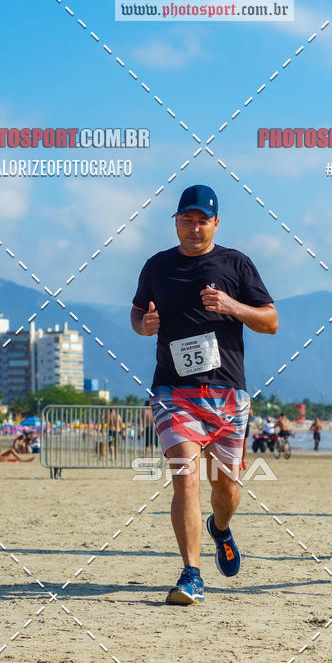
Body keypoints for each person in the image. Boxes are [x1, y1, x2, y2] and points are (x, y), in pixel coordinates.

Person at [131, 183, 278, 605]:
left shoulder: (236, 264)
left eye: (202, 221)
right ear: (175, 221)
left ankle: (221, 528)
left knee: (227, 489)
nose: (194, 228)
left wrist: (232, 306)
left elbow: (270, 321)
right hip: (173, 391)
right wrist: (143, 326)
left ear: (215, 223)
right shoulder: (157, 266)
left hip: (227, 392)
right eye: (187, 220)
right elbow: (138, 312)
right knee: (185, 480)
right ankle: (191, 574)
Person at [241, 406, 253, 470]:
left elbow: (251, 415)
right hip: (237, 424)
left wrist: (248, 410)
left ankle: (243, 460)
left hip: (245, 424)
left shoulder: (247, 403)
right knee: (238, 443)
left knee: (244, 443)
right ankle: (238, 461)